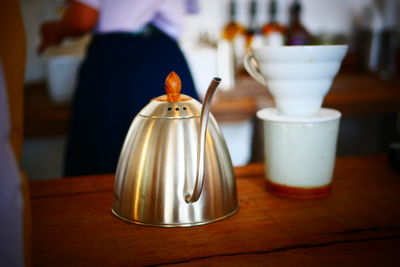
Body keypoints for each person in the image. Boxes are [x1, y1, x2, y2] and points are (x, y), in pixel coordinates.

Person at [39, 0, 199, 176]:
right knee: (175, 168)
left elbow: (82, 19)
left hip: (114, 62)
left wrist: (55, 30)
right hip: (165, 58)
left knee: (103, 165)